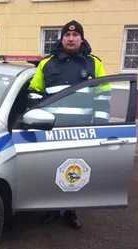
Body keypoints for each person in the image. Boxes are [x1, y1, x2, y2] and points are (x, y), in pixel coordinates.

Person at [27, 20, 110, 229]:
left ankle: (71, 210)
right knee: (53, 169)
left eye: (75, 36)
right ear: (62, 38)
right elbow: (35, 91)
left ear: (81, 38)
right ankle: (52, 208)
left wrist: (99, 126)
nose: (71, 39)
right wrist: (38, 118)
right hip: (53, 129)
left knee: (77, 171)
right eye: (67, 36)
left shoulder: (94, 63)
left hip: (81, 130)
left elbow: (103, 95)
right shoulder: (47, 64)